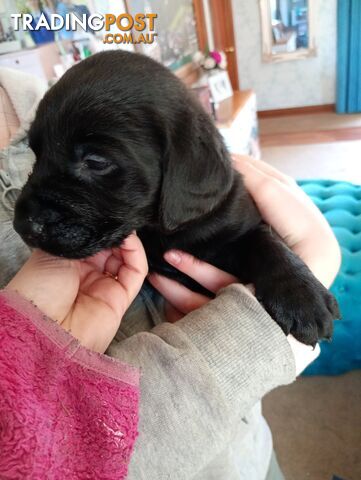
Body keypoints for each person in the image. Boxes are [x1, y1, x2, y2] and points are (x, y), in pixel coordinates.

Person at [0, 69, 341, 479]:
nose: (31, 218)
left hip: (243, 447)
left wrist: (289, 265)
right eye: (40, 159)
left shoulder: (32, 95)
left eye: (96, 161)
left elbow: (247, 234)